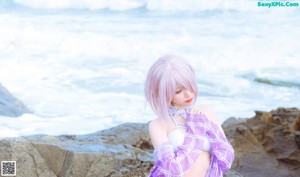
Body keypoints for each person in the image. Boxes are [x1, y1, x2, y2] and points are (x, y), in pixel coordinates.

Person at [144, 55, 234, 177]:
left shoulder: (206, 112)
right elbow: (171, 169)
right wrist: (196, 129)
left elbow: (226, 156)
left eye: (189, 85)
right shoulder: (158, 125)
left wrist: (202, 123)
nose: (188, 94)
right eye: (178, 91)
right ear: (163, 93)